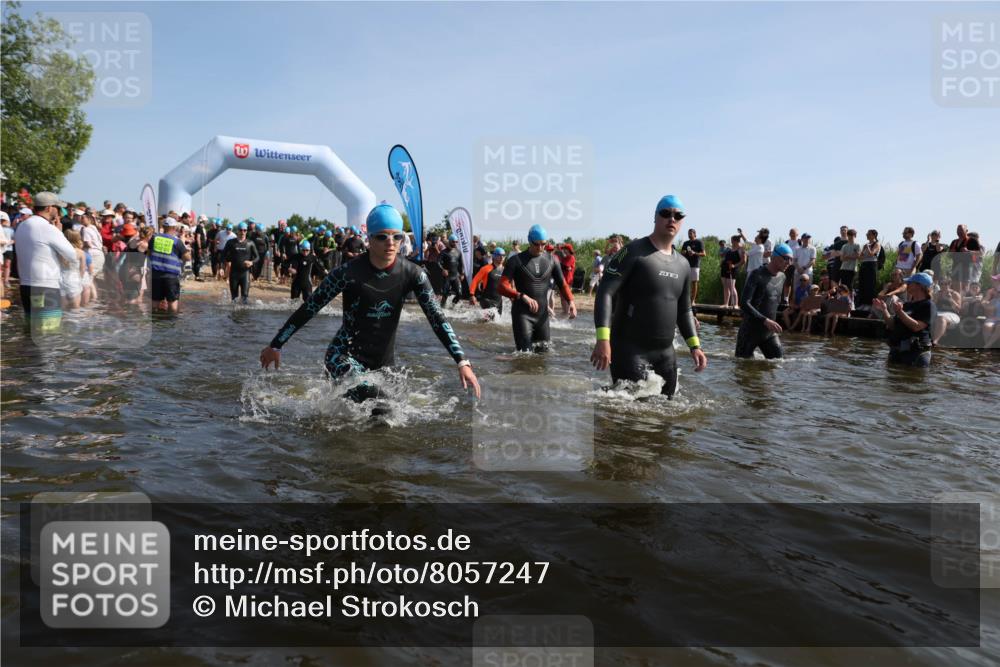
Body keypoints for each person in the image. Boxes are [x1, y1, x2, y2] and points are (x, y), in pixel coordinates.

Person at [259, 204, 480, 404]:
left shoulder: (414, 274)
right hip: (343, 357)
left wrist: (462, 361)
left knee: (390, 415)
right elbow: (309, 308)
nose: (391, 243)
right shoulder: (346, 273)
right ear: (370, 238)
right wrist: (276, 344)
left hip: (383, 362)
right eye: (383, 237)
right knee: (378, 403)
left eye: (397, 237)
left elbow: (437, 318)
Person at [590, 195, 706, 397]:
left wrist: (695, 346)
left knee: (666, 413)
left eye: (677, 216)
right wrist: (602, 340)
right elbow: (605, 292)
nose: (672, 219)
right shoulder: (633, 252)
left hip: (665, 354)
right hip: (629, 349)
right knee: (632, 416)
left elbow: (684, 309)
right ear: (655, 217)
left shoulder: (683, 264)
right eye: (666, 214)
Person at [498, 224, 577, 352]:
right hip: (522, 314)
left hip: (542, 316)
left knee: (544, 356)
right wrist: (521, 296)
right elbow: (501, 287)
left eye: (543, 244)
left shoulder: (552, 260)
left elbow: (562, 284)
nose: (540, 247)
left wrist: (571, 301)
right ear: (529, 241)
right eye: (536, 244)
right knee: (524, 356)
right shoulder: (516, 260)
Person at [14, 192, 78, 330]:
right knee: (49, 333)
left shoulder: (22, 226)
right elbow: (72, 255)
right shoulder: (48, 228)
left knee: (31, 332)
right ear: (49, 208)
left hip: (26, 285)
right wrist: (59, 232)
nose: (60, 211)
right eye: (58, 208)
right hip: (46, 287)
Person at [735, 243, 794, 358]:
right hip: (750, 331)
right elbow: (744, 303)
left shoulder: (782, 277)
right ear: (775, 256)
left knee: (777, 364)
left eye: (791, 259)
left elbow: (773, 302)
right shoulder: (757, 274)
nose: (789, 263)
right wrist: (765, 320)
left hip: (769, 333)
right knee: (742, 368)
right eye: (786, 258)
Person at [872, 273, 935, 366]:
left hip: (916, 353)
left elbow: (917, 327)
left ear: (920, 286)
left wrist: (900, 312)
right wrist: (884, 310)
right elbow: (893, 325)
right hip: (897, 351)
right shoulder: (907, 305)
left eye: (910, 283)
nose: (907, 285)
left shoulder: (928, 305)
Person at [148, 218, 190, 313]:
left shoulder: (154, 238)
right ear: (174, 228)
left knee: (154, 303)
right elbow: (187, 258)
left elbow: (149, 253)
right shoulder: (177, 241)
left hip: (155, 275)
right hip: (170, 277)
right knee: (172, 304)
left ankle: (155, 322)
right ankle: (171, 325)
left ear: (163, 227)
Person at [223, 222, 259, 304]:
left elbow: (257, 257)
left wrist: (251, 262)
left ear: (246, 231)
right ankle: (233, 316)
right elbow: (223, 255)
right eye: (240, 230)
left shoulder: (250, 243)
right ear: (237, 231)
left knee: (245, 298)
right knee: (234, 299)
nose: (242, 232)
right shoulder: (231, 243)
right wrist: (222, 267)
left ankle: (243, 316)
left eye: (244, 230)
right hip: (234, 274)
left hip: (245, 274)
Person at [470, 247, 507, 316]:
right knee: (490, 320)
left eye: (503, 256)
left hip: (499, 301)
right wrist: (472, 295)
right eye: (499, 256)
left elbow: (508, 285)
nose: (502, 258)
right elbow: (475, 280)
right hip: (486, 299)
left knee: (497, 323)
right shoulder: (486, 268)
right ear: (494, 256)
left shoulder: (505, 270)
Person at [931, 277, 963, 346]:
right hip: (938, 312)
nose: (943, 286)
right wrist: (936, 299)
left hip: (952, 314)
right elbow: (932, 308)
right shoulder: (937, 294)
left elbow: (958, 310)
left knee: (941, 318)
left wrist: (950, 300)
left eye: (946, 284)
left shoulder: (955, 294)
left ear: (950, 284)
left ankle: (934, 342)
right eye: (941, 284)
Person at [60, 230, 86, 310]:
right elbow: (82, 268)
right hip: (74, 278)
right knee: (76, 307)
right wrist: (81, 279)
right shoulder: (80, 252)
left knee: (63, 307)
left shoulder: (60, 250)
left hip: (61, 278)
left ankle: (65, 321)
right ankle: (74, 321)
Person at [679, 229, 706, 304]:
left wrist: (694, 253)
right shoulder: (686, 243)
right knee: (685, 283)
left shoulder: (699, 242)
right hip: (686, 265)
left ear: (694, 234)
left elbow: (704, 254)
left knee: (694, 283)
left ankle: (692, 300)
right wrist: (683, 252)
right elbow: (682, 252)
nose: (689, 234)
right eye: (688, 233)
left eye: (691, 233)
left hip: (695, 265)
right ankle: (685, 300)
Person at [438, 233, 465, 308]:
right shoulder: (444, 252)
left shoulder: (458, 252)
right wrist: (443, 269)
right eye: (453, 241)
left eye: (456, 242)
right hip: (447, 277)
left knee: (459, 294)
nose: (455, 243)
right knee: (445, 295)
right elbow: (438, 262)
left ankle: (452, 307)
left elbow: (461, 264)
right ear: (449, 241)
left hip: (455, 276)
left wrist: (462, 274)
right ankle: (441, 308)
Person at [857, 229, 881, 308]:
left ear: (873, 235)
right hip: (864, 264)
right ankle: (862, 303)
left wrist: (867, 247)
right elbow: (860, 257)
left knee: (870, 284)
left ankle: (870, 304)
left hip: (871, 265)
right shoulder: (865, 245)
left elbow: (871, 254)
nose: (866, 235)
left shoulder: (876, 244)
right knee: (862, 283)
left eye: (868, 234)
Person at [948, 224, 974, 294]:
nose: (959, 232)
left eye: (961, 230)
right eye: (958, 230)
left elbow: (979, 253)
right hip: (955, 267)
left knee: (964, 290)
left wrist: (968, 251)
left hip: (966, 268)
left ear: (966, 231)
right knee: (956, 290)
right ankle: (958, 303)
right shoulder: (954, 242)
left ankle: (964, 304)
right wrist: (950, 253)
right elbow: (949, 255)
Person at [720, 235, 744, 308]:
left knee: (732, 286)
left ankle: (736, 304)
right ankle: (726, 304)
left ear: (736, 241)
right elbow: (724, 257)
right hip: (724, 268)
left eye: (732, 240)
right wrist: (722, 262)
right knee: (725, 286)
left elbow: (743, 261)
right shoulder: (730, 249)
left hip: (733, 269)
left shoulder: (741, 249)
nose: (731, 242)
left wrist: (735, 265)